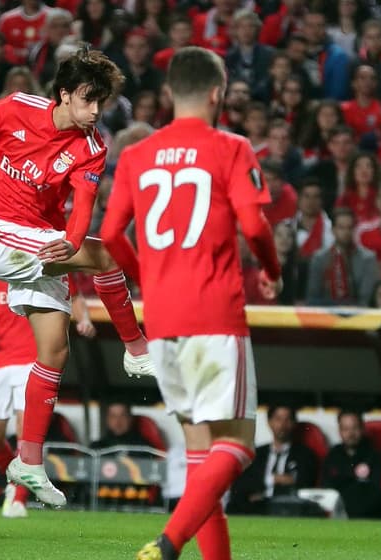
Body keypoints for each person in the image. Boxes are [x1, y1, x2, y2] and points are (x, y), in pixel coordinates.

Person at [0, 47, 154, 508]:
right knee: (106, 257)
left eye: (101, 103)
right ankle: (137, 350)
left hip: (45, 242)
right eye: (88, 99)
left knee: (55, 351)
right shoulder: (13, 109)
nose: (95, 111)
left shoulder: (91, 148)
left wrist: (69, 242)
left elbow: (83, 209)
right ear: (64, 94)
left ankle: (28, 461)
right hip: (0, 235)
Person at [100, 46, 282, 560]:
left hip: (163, 320)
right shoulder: (232, 147)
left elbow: (111, 233)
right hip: (216, 314)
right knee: (240, 444)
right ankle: (167, 542)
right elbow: (254, 224)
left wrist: (147, 278)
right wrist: (272, 270)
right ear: (217, 93)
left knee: (203, 459)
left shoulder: (136, 156)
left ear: (168, 95)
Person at [0, 255, 95, 518]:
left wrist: (84, 319)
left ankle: (18, 501)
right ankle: (15, 482)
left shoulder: (47, 256)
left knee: (26, 432)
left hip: (33, 359)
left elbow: (74, 295)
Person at [321, 410, 381, 518]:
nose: (351, 434)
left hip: (365, 517)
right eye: (346, 429)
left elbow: (377, 493)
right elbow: (325, 488)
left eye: (355, 428)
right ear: (340, 431)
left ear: (362, 429)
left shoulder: (374, 455)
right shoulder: (333, 455)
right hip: (335, 515)